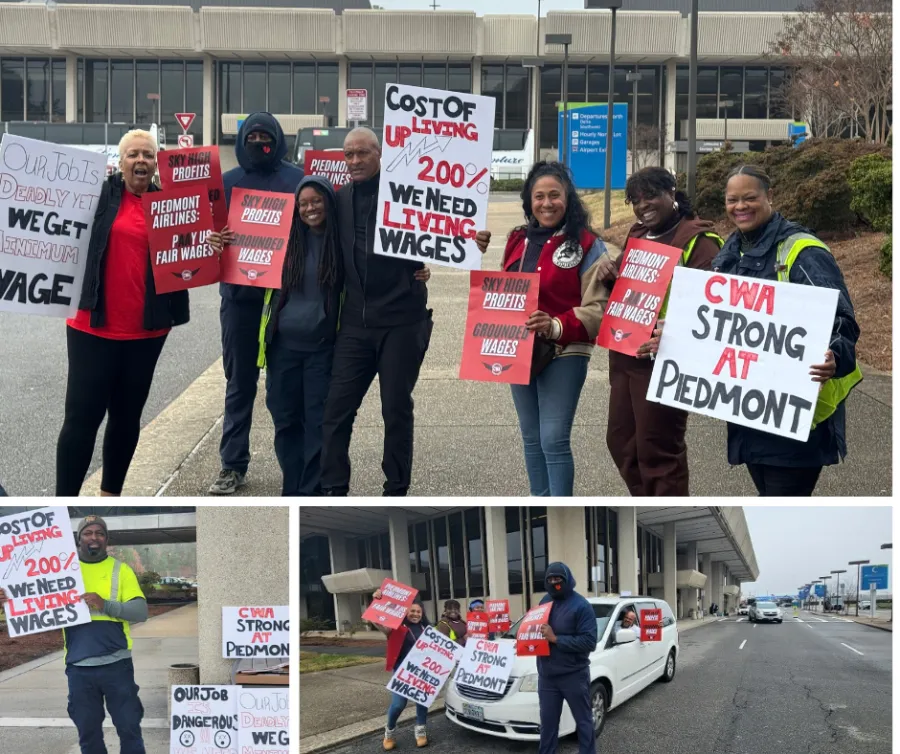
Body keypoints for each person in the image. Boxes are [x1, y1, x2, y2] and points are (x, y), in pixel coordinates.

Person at [639, 165, 861, 497]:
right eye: (732, 200)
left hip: (800, 414)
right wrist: (671, 336)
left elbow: (842, 319)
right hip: (751, 415)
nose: (740, 206)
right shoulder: (729, 254)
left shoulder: (802, 250)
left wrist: (835, 356)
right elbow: (713, 323)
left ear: (769, 197)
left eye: (749, 198)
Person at [320, 127, 489, 496]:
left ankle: (396, 487)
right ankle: (333, 485)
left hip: (402, 320)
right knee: (335, 411)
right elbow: (308, 230)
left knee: (395, 410)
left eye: (362, 153)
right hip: (354, 323)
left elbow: (450, 225)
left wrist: (471, 238)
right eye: (348, 155)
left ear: (380, 154)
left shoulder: (409, 194)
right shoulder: (339, 199)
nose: (354, 161)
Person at [56, 129, 188, 497]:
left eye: (147, 154)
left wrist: (208, 244)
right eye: (133, 155)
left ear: (157, 160)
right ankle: (62, 501)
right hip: (91, 328)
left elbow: (191, 256)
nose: (141, 161)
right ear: (121, 161)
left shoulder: (172, 204)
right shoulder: (96, 195)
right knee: (81, 420)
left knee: (127, 419)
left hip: (147, 332)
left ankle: (110, 494)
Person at [495, 161, 613, 496]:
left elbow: (598, 310)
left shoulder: (588, 244)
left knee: (553, 438)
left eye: (555, 195)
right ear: (529, 201)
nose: (547, 203)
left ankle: (562, 508)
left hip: (565, 350)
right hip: (519, 349)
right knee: (531, 437)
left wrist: (556, 325)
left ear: (568, 198)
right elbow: (499, 294)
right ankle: (540, 501)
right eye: (539, 196)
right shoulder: (517, 240)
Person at [607, 166, 723, 496]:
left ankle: (664, 501)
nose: (643, 205)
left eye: (651, 195)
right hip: (627, 356)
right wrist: (609, 274)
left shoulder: (699, 242)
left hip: (667, 359)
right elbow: (626, 281)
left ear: (672, 193)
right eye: (636, 199)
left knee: (657, 448)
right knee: (622, 442)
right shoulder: (638, 235)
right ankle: (644, 501)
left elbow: (716, 310)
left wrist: (673, 329)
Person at [210, 112, 304, 495]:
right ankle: (232, 465)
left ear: (279, 140)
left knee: (284, 391)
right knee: (239, 385)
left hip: (288, 301)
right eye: (253, 135)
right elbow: (202, 236)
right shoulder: (225, 184)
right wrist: (213, 241)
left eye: (267, 136)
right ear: (242, 140)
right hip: (239, 301)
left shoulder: (298, 181)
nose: (260, 141)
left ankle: (295, 469)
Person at [1, 515, 148, 754]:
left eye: (99, 533)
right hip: (79, 668)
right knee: (89, 737)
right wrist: (9, 599)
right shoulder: (59, 569)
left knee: (129, 730)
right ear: (78, 539)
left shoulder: (121, 570)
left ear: (106, 540)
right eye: (88, 533)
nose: (94, 537)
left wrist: (105, 604)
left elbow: (140, 611)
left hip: (117, 665)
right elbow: (35, 602)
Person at [536, 562, 598, 754]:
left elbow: (589, 642)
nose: (554, 582)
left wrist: (556, 639)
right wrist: (524, 640)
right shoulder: (544, 601)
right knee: (548, 725)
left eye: (558, 579)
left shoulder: (581, 606)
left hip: (574, 675)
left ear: (567, 579)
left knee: (584, 722)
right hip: (547, 676)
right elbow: (537, 629)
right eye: (550, 579)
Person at [369, 588, 431, 749]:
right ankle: (389, 732)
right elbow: (380, 623)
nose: (415, 614)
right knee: (398, 704)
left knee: (422, 702)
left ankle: (421, 731)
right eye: (412, 611)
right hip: (402, 673)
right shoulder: (396, 627)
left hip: (422, 673)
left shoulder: (428, 630)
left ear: (422, 613)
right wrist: (377, 602)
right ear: (405, 612)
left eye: (418, 611)